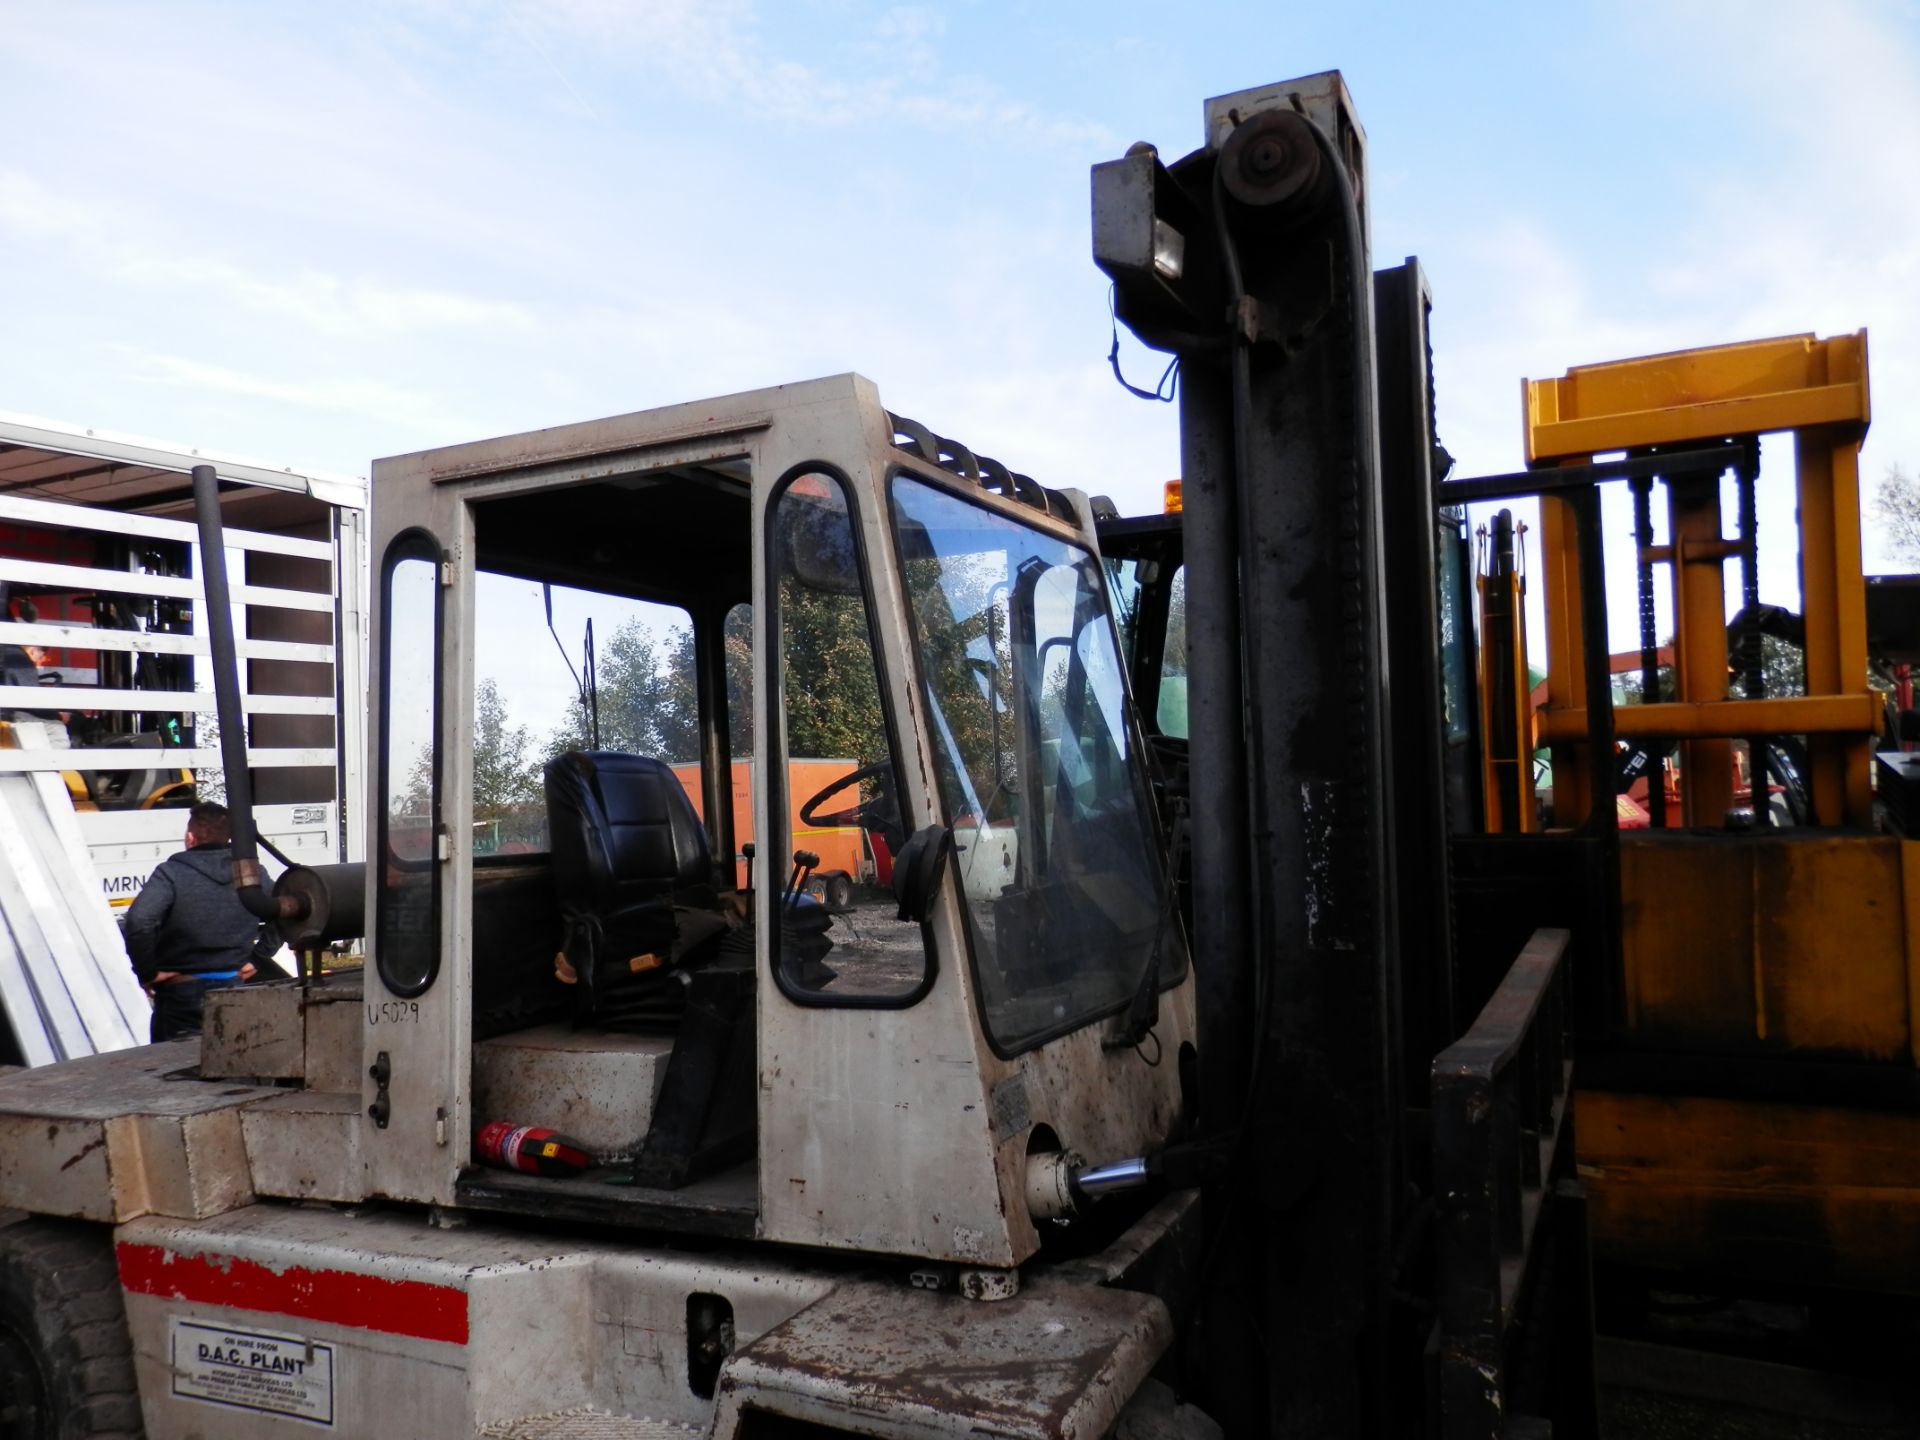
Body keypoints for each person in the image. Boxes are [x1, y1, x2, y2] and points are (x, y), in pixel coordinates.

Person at [123, 802, 285, 1042]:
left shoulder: (171, 873)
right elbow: (283, 912)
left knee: (170, 1070)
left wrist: (148, 973)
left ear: (190, 838)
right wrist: (258, 957)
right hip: (234, 987)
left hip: (179, 992)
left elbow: (138, 921)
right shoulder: (252, 873)